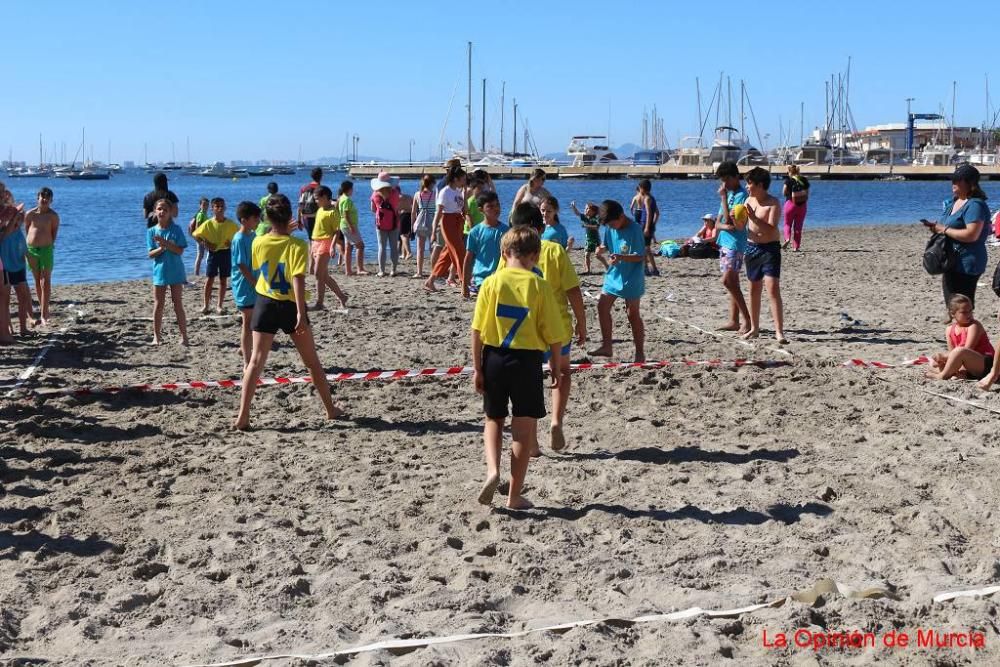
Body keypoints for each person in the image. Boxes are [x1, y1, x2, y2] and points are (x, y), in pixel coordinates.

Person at [471, 225, 567, 509]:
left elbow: (476, 331)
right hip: (526, 361)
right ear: (535, 256)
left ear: (504, 253)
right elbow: (554, 333)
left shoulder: (491, 282)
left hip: (494, 358)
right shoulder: (539, 285)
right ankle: (513, 496)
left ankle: (492, 470)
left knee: (493, 419)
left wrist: (477, 368)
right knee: (523, 431)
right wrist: (555, 365)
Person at [235, 194, 344, 430]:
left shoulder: (258, 241)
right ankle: (330, 409)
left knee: (255, 361)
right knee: (312, 363)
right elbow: (297, 278)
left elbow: (260, 263)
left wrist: (279, 231)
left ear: (267, 218)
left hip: (265, 302)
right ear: (290, 217)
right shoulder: (296, 244)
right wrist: (299, 314)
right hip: (290, 304)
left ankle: (243, 416)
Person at [508, 202, 587, 453]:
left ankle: (532, 441)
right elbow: (573, 291)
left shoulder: (509, 255)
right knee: (562, 372)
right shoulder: (554, 250)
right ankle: (555, 420)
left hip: (524, 329)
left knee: (528, 384)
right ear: (540, 227)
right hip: (557, 326)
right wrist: (582, 323)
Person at [925, 164, 991, 317]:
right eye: (952, 179)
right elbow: (947, 226)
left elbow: (972, 235)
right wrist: (936, 228)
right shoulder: (954, 202)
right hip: (951, 261)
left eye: (958, 180)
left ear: (970, 183)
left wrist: (944, 229)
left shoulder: (975, 205)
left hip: (967, 263)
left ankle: (969, 339)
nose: (953, 183)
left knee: (962, 309)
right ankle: (957, 338)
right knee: (953, 307)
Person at [590, 200, 646, 362]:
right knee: (602, 306)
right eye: (609, 225)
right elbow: (606, 245)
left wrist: (621, 257)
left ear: (621, 216)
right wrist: (601, 249)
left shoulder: (635, 229)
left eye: (613, 224)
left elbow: (640, 256)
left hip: (632, 277)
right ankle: (607, 346)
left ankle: (640, 352)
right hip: (614, 275)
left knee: (632, 314)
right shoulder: (609, 227)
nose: (612, 227)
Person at [743, 168, 786, 343]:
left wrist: (753, 218)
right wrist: (736, 219)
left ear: (760, 185)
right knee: (754, 289)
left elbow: (771, 227)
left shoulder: (773, 203)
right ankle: (754, 328)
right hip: (752, 247)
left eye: (750, 183)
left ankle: (779, 331)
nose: (747, 187)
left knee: (773, 287)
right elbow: (742, 226)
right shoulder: (748, 200)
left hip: (770, 248)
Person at [715, 161, 752, 334]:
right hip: (724, 242)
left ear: (736, 177)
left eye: (727, 180)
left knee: (727, 281)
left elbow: (733, 223)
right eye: (723, 181)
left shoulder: (741, 196)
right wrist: (723, 226)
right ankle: (734, 320)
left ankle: (747, 319)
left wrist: (723, 198)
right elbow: (719, 222)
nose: (724, 184)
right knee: (733, 282)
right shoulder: (729, 194)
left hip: (735, 244)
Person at [146, 199, 189, 346]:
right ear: (155, 211)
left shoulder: (176, 229)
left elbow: (180, 250)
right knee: (159, 304)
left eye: (165, 209)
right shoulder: (151, 231)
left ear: (170, 212)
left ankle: (184, 336)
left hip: (176, 271)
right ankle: (157, 336)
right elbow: (150, 254)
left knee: (178, 303)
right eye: (159, 209)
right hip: (160, 272)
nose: (162, 212)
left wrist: (165, 244)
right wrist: (161, 248)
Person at [926, 294, 994, 381]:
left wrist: (943, 356)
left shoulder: (974, 326)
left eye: (970, 311)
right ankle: (961, 373)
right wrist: (941, 359)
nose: (969, 314)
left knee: (960, 351)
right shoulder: (949, 329)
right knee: (934, 363)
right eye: (964, 312)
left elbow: (967, 349)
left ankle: (942, 376)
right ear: (952, 313)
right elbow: (952, 355)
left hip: (985, 364)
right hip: (967, 365)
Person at [423, 166, 467, 292]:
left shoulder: (459, 191)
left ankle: (430, 281)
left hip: (458, 221)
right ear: (455, 179)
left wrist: (465, 190)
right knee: (460, 252)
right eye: (463, 179)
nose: (465, 181)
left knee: (446, 255)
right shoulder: (445, 192)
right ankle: (464, 282)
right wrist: (433, 231)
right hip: (448, 222)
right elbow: (439, 212)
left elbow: (464, 210)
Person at [193, 197, 240, 314]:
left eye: (222, 206)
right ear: (212, 209)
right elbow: (195, 234)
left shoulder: (230, 224)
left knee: (223, 280)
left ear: (225, 208)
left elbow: (239, 236)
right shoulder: (208, 223)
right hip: (213, 253)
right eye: (217, 206)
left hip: (225, 253)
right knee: (209, 279)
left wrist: (232, 243)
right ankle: (206, 305)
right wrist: (206, 243)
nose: (220, 208)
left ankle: (219, 305)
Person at [0, 190, 35, 335]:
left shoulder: (19, 233)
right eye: (17, 219)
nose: (19, 221)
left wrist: (29, 260)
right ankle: (8, 329)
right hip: (6, 268)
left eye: (21, 219)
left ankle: (23, 328)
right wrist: (12, 219)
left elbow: (24, 249)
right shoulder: (4, 232)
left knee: (23, 297)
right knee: (5, 300)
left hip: (19, 267)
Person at [462, 191, 508, 298]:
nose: (495, 209)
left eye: (497, 205)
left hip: (500, 278)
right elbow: (468, 259)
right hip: (480, 279)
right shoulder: (475, 231)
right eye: (490, 206)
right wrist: (464, 285)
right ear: (480, 210)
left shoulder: (507, 231)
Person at [231, 201, 261, 367]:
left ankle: (246, 349)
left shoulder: (253, 236)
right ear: (244, 220)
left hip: (255, 283)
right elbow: (242, 265)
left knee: (254, 321)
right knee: (247, 321)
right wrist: (254, 282)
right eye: (255, 219)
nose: (258, 221)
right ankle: (246, 362)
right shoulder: (239, 238)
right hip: (245, 285)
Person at [24, 187, 59, 325]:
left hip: (46, 250)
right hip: (32, 250)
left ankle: (44, 315)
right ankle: (44, 310)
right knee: (38, 281)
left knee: (46, 281)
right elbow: (27, 229)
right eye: (42, 197)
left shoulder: (53, 216)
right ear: (37, 198)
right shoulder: (30, 214)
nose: (44, 199)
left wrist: (46, 243)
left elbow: (54, 233)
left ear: (51, 200)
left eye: (47, 197)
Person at [311, 186, 349, 308]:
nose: (316, 201)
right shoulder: (320, 210)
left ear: (325, 197)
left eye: (317, 199)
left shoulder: (333, 212)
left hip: (326, 243)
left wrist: (332, 247)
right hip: (316, 242)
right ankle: (342, 297)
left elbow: (337, 232)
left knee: (318, 274)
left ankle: (319, 303)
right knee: (324, 276)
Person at [370, 173, 400, 277]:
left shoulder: (375, 195)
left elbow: (373, 209)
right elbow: (397, 207)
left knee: (381, 246)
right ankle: (393, 270)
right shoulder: (395, 193)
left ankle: (382, 271)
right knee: (393, 247)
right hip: (394, 223)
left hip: (380, 224)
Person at [337, 181, 368, 275]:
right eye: (352, 189)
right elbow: (345, 214)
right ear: (349, 189)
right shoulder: (346, 199)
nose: (353, 191)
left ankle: (348, 270)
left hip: (344, 225)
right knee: (360, 246)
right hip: (348, 225)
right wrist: (351, 226)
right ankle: (360, 268)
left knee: (348, 247)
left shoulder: (341, 198)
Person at [570, 200, 608, 274]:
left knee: (597, 255)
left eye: (587, 209)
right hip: (588, 239)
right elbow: (577, 213)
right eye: (585, 208)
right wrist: (573, 207)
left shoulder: (595, 219)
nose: (585, 210)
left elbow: (596, 227)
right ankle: (588, 270)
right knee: (586, 255)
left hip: (595, 239)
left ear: (593, 212)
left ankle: (607, 266)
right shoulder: (585, 217)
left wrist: (586, 225)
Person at [298, 167, 323, 272]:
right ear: (321, 176)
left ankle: (310, 267)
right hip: (317, 217)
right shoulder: (321, 188)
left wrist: (299, 220)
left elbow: (300, 205)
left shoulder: (304, 188)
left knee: (310, 241)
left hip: (306, 217)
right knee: (317, 241)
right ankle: (315, 265)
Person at [411, 174, 436, 278]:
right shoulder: (435, 194)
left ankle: (419, 272)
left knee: (420, 249)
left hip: (420, 223)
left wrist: (412, 225)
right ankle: (434, 271)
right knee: (432, 248)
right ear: (432, 184)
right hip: (432, 223)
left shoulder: (417, 194)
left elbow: (413, 212)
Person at [635, 179, 661, 276]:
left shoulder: (647, 199)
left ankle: (650, 269)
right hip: (647, 225)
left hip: (645, 225)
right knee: (645, 248)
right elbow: (657, 213)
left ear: (642, 188)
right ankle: (649, 268)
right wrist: (653, 224)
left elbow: (650, 213)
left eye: (640, 188)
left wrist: (647, 227)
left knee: (645, 248)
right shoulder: (651, 198)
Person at [782, 165, 810, 250]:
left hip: (790, 204)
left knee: (787, 224)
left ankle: (787, 239)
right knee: (798, 227)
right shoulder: (804, 180)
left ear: (789, 172)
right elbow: (807, 193)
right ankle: (796, 247)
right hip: (802, 205)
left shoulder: (788, 180)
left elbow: (784, 192)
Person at [189, 197, 211, 276]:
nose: (206, 206)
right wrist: (200, 239)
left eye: (207, 205)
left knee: (205, 255)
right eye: (204, 205)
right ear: (200, 205)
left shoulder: (205, 214)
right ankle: (197, 273)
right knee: (200, 255)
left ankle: (204, 271)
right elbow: (197, 227)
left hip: (204, 238)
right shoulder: (200, 214)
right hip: (200, 238)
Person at [398, 187, 413, 261]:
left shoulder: (397, 198)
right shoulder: (408, 196)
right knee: (406, 236)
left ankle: (409, 252)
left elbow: (396, 209)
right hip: (410, 215)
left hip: (403, 216)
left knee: (403, 236)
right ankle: (404, 254)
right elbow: (414, 206)